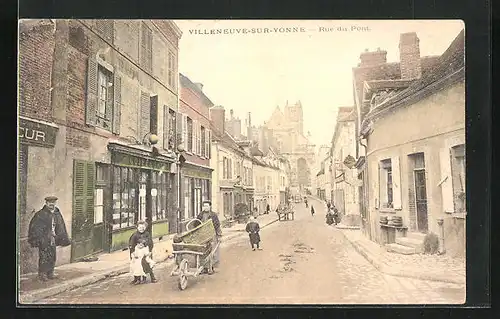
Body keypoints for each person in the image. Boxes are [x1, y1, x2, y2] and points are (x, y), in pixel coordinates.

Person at [28, 196, 71, 282]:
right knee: (44, 256)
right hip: (44, 239)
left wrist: (61, 237)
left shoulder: (57, 213)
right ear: (46, 203)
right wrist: (39, 238)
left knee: (52, 255)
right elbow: (35, 227)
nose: (52, 204)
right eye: (50, 203)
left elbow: (60, 225)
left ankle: (50, 273)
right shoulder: (40, 214)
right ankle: (42, 274)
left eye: (53, 202)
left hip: (53, 239)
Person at [196, 200, 222, 273]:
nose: (205, 207)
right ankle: (203, 267)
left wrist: (219, 234)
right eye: (204, 206)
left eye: (207, 206)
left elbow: (217, 225)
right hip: (202, 236)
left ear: (210, 207)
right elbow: (196, 224)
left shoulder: (213, 215)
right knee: (203, 251)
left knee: (212, 251)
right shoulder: (200, 215)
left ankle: (211, 267)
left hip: (212, 235)